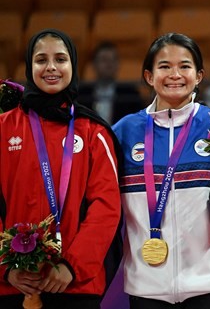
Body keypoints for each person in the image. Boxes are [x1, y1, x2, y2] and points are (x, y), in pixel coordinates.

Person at [0, 29, 122, 308]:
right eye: (41, 59)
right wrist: (6, 268)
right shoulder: (3, 128)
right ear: (29, 68)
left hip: (74, 284)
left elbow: (107, 207)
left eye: (61, 59)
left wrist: (72, 266)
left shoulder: (93, 132)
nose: (51, 67)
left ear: (73, 66)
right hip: (12, 285)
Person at [112, 33, 210, 309]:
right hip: (146, 286)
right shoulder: (123, 132)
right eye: (165, 66)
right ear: (148, 75)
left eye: (185, 66)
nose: (175, 74)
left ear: (199, 75)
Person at [79, 41, 144, 125]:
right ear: (94, 64)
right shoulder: (82, 95)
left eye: (113, 59)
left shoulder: (130, 94)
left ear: (118, 64)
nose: (109, 64)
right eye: (104, 60)